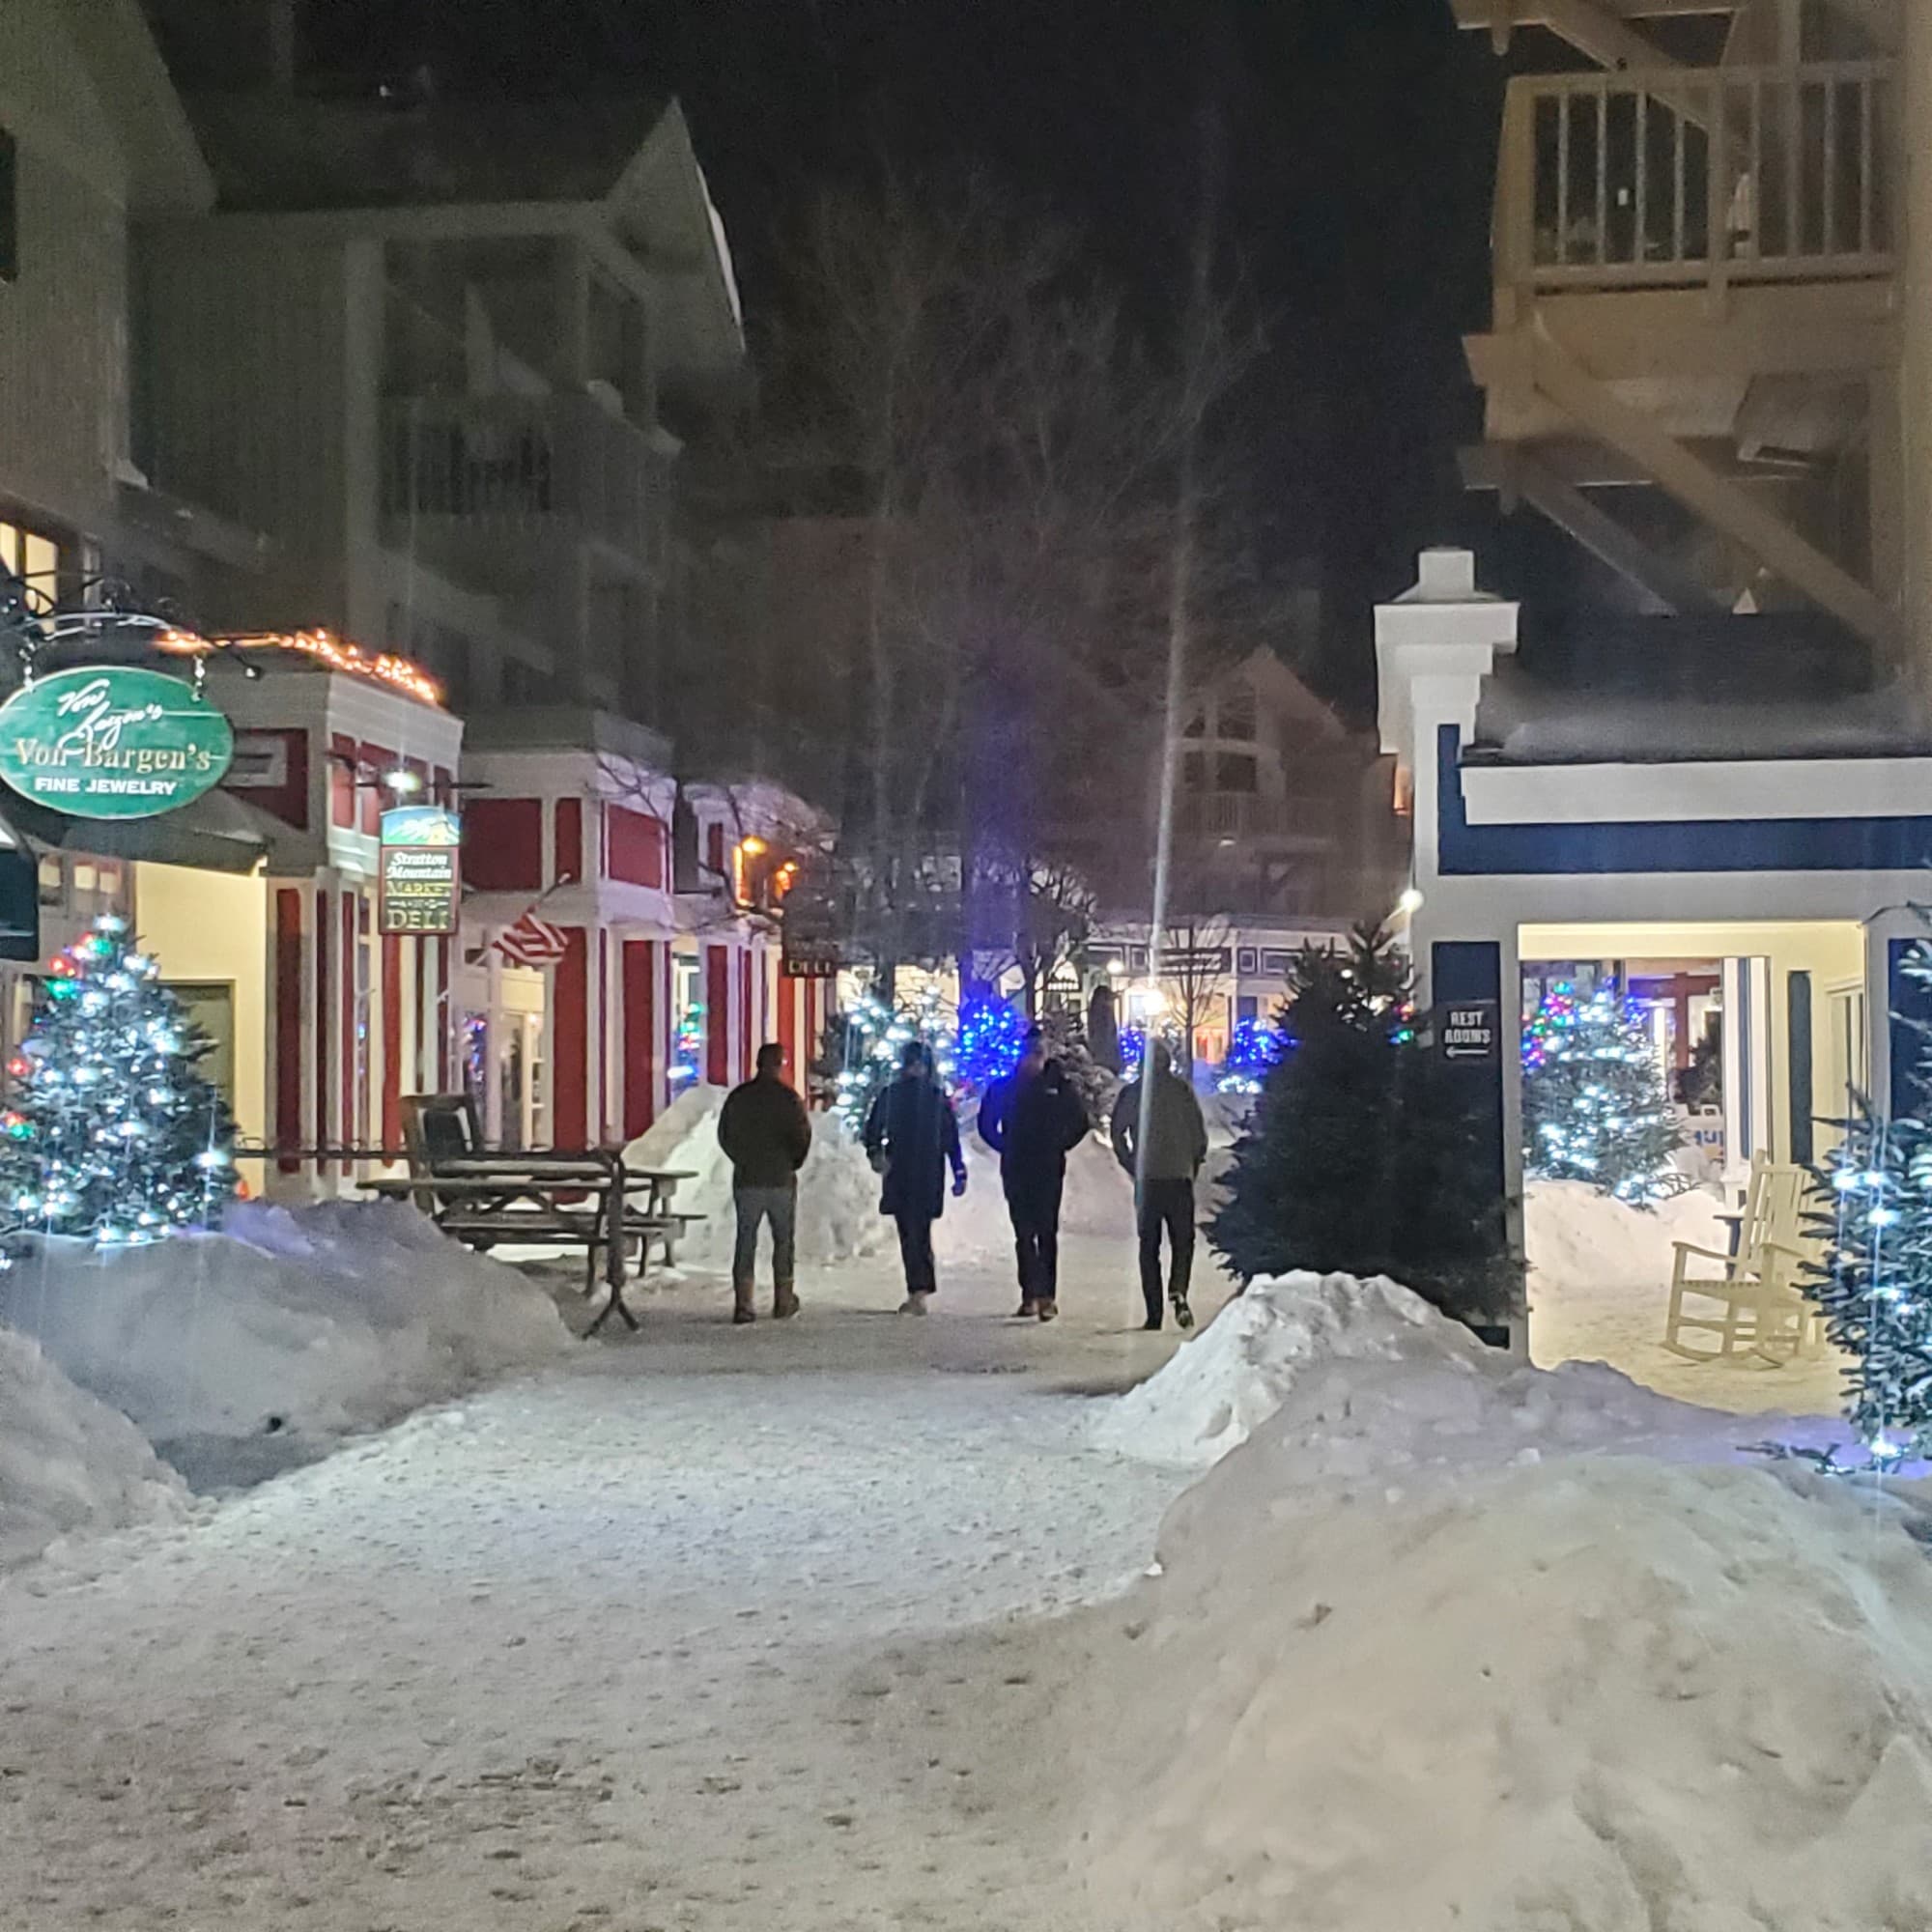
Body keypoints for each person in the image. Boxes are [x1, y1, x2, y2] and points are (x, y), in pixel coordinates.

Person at [978, 1028, 1090, 1321]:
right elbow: (986, 1122)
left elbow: (1080, 1122)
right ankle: (1029, 1294)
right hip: (1016, 1168)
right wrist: (1004, 1145)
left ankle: (1047, 1296)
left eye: (1038, 1054)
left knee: (1047, 1232)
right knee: (1024, 1234)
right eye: (1029, 1054)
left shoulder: (1060, 1086)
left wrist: (1059, 1145)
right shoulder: (1006, 1087)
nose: (1033, 1060)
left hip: (1048, 1168)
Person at [1111, 1040, 1208, 1331]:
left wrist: (1131, 1163)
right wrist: (1192, 1163)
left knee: (1148, 1245)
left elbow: (1117, 1132)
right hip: (1179, 1178)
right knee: (1183, 1241)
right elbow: (1199, 1134)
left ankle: (1153, 1312)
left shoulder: (1132, 1093)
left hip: (1149, 1180)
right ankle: (1178, 1287)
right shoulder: (1182, 1091)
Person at [864, 1040, 968, 1314]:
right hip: (927, 1174)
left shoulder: (893, 1095)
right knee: (918, 1231)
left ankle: (918, 1287)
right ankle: (920, 1285)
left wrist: (877, 1153)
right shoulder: (935, 1098)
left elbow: (873, 1130)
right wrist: (958, 1170)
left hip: (903, 1173)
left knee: (911, 1232)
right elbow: (950, 1139)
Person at [717, 1041, 812, 1325]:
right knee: (783, 1240)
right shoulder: (788, 1099)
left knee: (746, 1239)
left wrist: (741, 1158)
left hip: (747, 1178)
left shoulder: (740, 1098)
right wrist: (791, 1162)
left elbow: (725, 1134)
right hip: (781, 1178)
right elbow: (802, 1136)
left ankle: (744, 1302)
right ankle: (783, 1298)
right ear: (780, 1064)